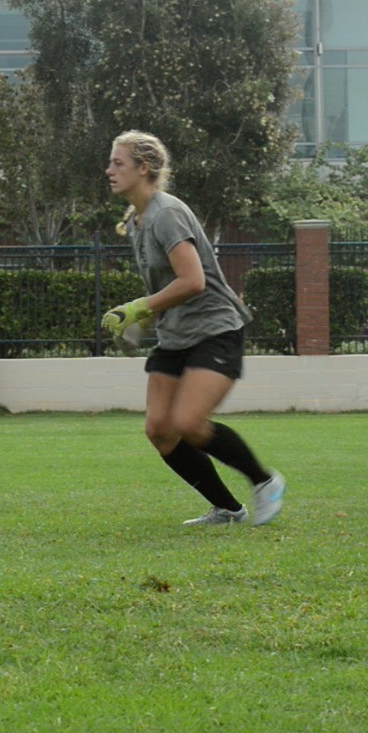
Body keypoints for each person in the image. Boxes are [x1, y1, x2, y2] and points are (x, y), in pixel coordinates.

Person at [100, 130, 286, 526]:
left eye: (118, 163)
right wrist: (138, 326)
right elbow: (166, 288)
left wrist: (137, 307)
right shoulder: (136, 222)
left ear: (143, 168)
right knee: (160, 430)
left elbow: (193, 281)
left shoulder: (166, 214)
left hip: (215, 329)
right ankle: (228, 509)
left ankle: (265, 482)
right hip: (175, 336)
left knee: (188, 423)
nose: (109, 170)